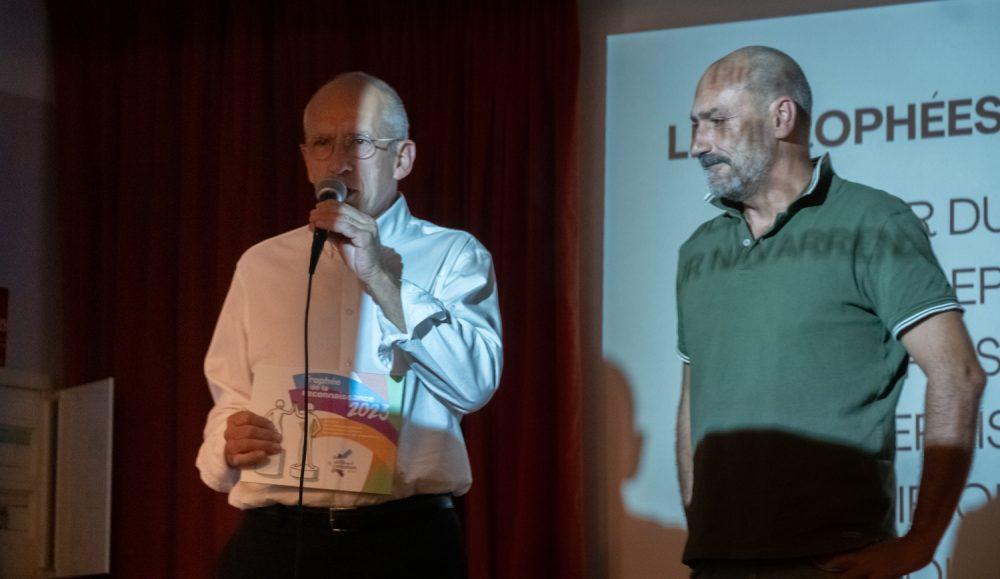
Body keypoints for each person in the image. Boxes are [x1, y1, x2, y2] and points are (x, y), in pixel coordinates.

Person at [675, 46, 986, 578]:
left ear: (781, 116)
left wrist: (920, 545)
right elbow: (691, 402)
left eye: (716, 121)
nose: (699, 144)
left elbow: (958, 374)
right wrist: (701, 528)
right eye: (696, 125)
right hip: (714, 562)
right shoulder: (698, 249)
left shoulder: (873, 222)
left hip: (831, 562)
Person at [196, 72, 502, 578]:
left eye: (359, 141)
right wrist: (226, 445)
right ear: (305, 157)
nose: (338, 162)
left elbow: (475, 385)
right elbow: (229, 396)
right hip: (276, 542)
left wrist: (382, 277)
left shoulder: (454, 255)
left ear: (402, 158)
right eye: (322, 143)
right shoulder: (262, 263)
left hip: (403, 544)